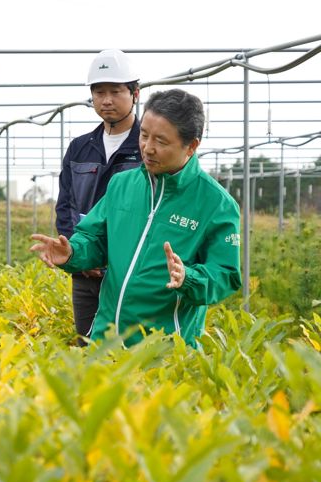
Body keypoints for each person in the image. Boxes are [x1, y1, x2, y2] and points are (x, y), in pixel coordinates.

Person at [31, 88, 242, 347]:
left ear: (192, 145)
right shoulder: (122, 184)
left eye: (161, 141)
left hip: (165, 352)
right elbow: (95, 238)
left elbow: (226, 274)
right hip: (105, 344)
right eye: (144, 135)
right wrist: (73, 252)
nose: (147, 148)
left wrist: (188, 277)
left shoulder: (216, 204)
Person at [55, 49, 143, 343]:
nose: (106, 100)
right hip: (85, 274)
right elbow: (66, 206)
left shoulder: (149, 148)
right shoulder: (80, 148)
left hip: (130, 274)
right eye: (99, 92)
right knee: (87, 347)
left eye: (116, 91)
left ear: (135, 94)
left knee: (131, 351)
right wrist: (80, 255)